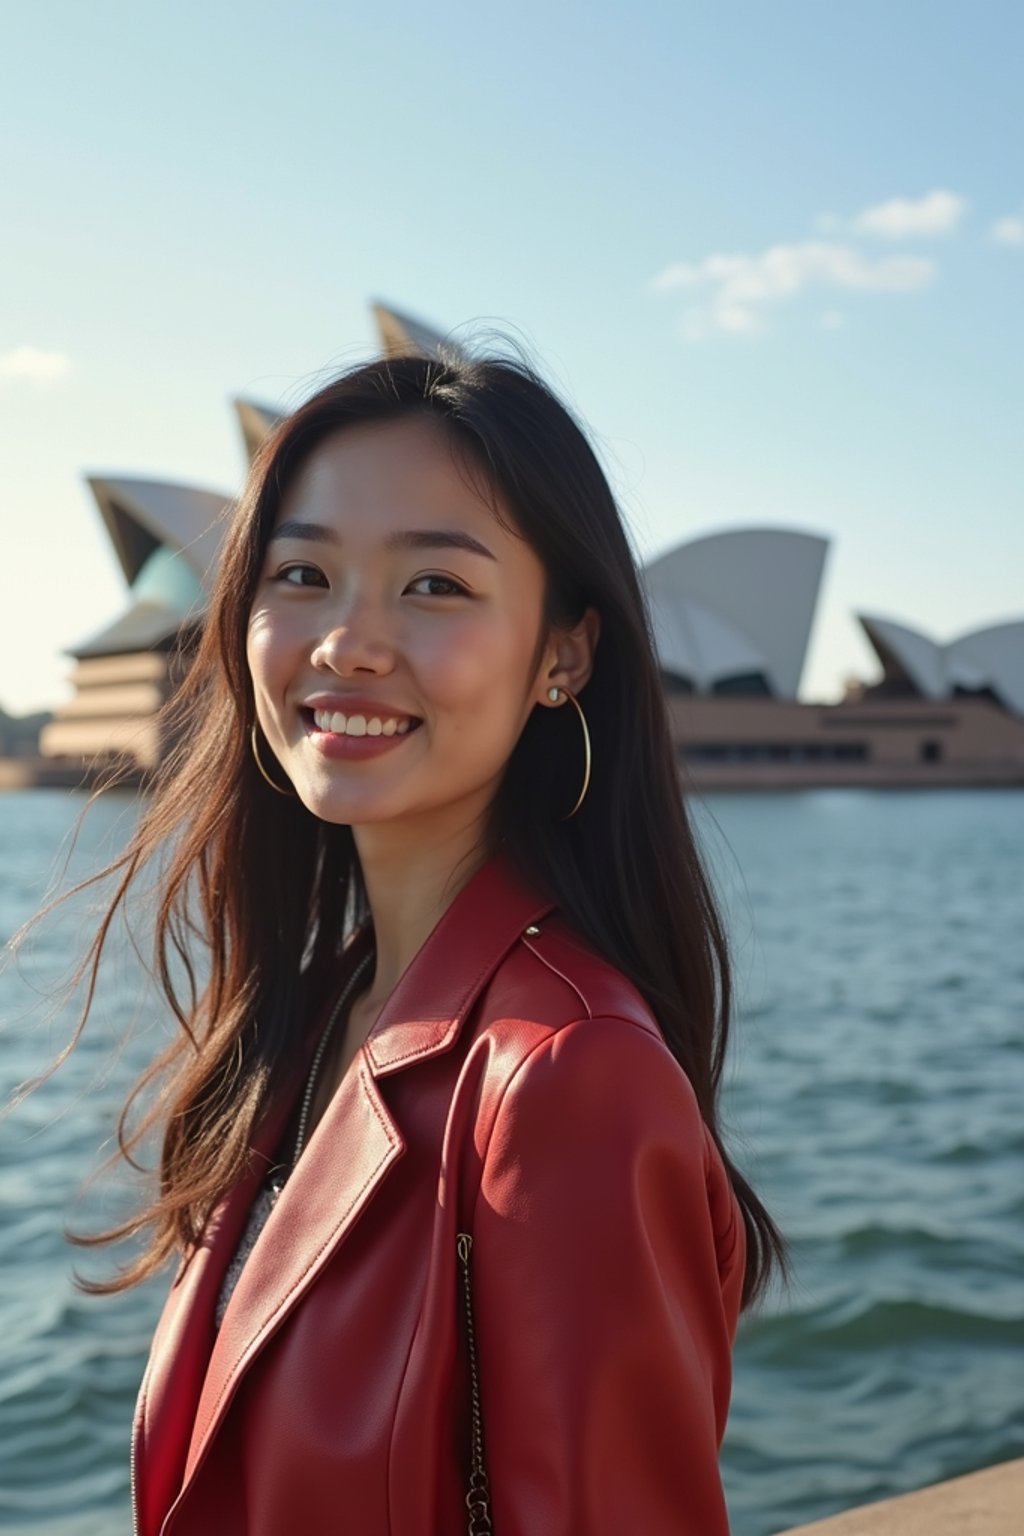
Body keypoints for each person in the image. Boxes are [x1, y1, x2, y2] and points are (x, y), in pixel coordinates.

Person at [46, 350, 787, 1534]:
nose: (347, 641)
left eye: (433, 585)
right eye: (303, 573)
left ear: (564, 654)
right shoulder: (315, 1011)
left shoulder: (564, 1077)